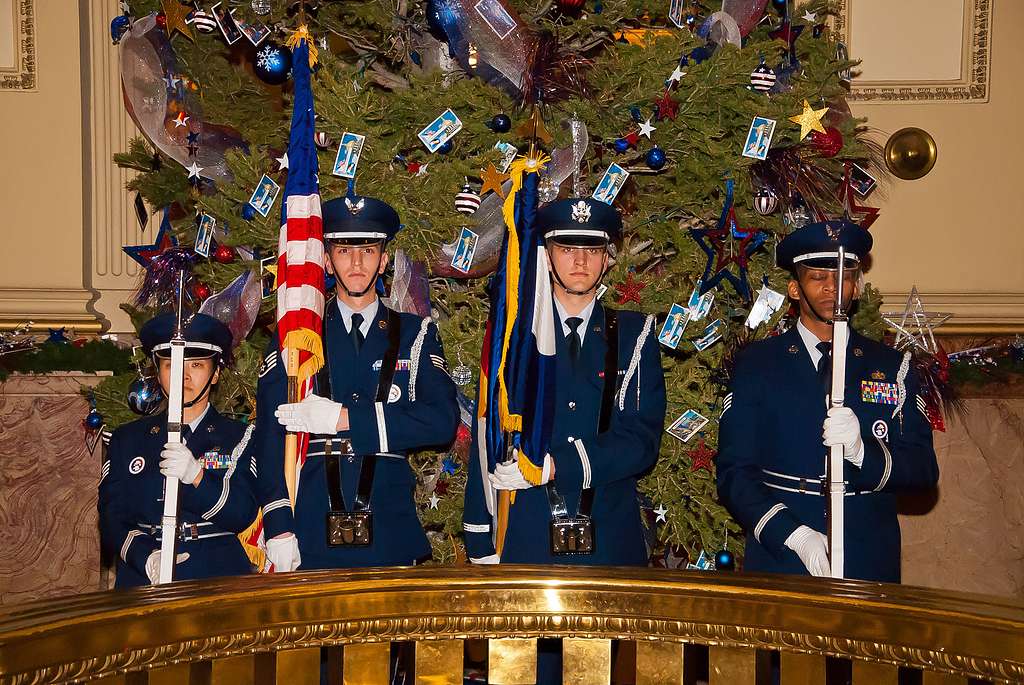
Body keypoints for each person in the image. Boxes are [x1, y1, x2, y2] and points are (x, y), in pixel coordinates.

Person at [716, 219, 939, 582]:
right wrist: (794, 535)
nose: (832, 288)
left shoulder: (892, 366)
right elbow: (734, 473)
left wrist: (863, 452)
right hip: (782, 555)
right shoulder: (758, 364)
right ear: (794, 287)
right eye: (817, 276)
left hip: (867, 555)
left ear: (856, 287)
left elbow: (924, 471)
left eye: (843, 277)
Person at [254, 193, 459, 572]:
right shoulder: (297, 335)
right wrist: (279, 525)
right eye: (345, 250)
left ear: (384, 260)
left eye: (368, 250)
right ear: (328, 260)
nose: (357, 262)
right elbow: (268, 434)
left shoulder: (415, 334)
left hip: (390, 532)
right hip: (309, 533)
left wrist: (346, 419)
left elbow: (441, 421)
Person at [462, 197, 667, 566]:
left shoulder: (633, 334)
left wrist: (556, 466)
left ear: (607, 259)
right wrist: (480, 534)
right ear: (547, 255)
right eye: (567, 247)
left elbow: (641, 441)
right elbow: (486, 429)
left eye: (592, 249)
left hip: (610, 540)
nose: (580, 261)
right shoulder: (514, 337)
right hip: (526, 536)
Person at [98, 312, 258, 588]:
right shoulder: (128, 439)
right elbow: (112, 517)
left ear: (216, 373)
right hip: (143, 577)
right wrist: (146, 557)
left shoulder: (239, 436)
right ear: (158, 372)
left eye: (196, 364)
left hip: (216, 577)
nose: (183, 375)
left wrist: (196, 477)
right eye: (172, 364)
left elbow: (241, 514)